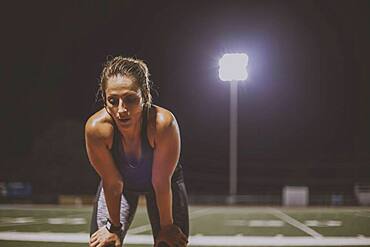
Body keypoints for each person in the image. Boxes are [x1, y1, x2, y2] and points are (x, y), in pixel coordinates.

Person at [85, 56, 189, 247]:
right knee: (105, 244)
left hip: (164, 184)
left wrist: (167, 227)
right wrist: (113, 228)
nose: (121, 110)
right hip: (121, 187)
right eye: (112, 100)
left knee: (170, 243)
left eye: (130, 99)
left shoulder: (162, 124)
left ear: (145, 95)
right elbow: (113, 182)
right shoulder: (97, 129)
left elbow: (160, 182)